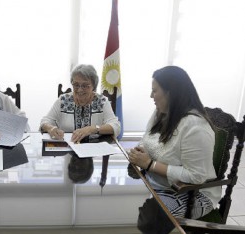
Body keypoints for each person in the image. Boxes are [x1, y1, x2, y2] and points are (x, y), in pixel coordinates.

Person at [128, 66, 221, 234]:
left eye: (154, 91)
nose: (151, 96)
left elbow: (196, 176)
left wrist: (150, 164)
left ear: (171, 92)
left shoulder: (195, 127)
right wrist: (140, 151)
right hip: (158, 183)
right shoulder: (161, 112)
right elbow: (146, 139)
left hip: (193, 193)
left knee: (148, 222)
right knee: (126, 210)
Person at [40, 64, 120, 143]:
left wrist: (92, 129)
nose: (80, 90)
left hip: (95, 149)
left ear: (93, 86)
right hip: (67, 149)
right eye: (76, 85)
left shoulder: (102, 101)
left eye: (85, 86)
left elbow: (115, 126)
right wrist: (51, 128)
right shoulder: (63, 100)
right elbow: (45, 121)